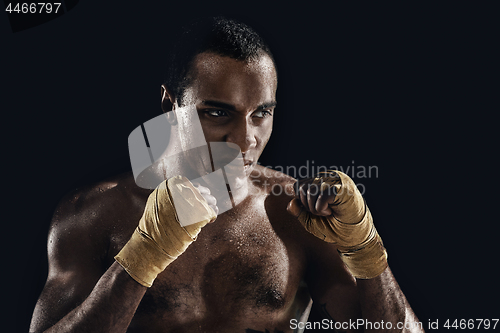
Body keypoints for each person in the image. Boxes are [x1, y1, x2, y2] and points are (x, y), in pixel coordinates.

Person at [30, 16, 424, 333]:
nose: (244, 139)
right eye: (218, 112)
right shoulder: (94, 214)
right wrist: (140, 259)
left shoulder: (296, 215)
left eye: (261, 114)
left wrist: (366, 247)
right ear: (171, 106)